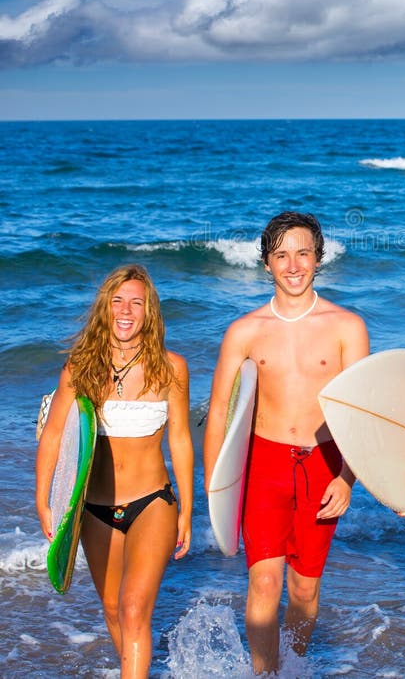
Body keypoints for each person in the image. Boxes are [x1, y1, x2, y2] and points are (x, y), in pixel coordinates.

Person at [204, 211, 369, 675]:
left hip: (324, 464)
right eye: (281, 255)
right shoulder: (244, 331)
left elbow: (362, 413)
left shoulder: (347, 327)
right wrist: (214, 485)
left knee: (304, 590)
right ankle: (265, 673)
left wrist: (347, 477)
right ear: (266, 264)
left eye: (303, 253)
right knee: (263, 581)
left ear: (319, 258)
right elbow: (219, 411)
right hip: (264, 465)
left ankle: (293, 666)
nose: (293, 265)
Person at [36, 264, 193, 679]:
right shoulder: (80, 368)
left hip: (152, 502)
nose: (126, 311)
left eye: (136, 302)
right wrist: (45, 501)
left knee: (133, 607)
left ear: (149, 312)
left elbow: (180, 439)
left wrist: (187, 511)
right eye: (117, 301)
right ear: (105, 308)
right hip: (94, 508)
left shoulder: (171, 368)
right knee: (111, 609)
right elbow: (54, 437)